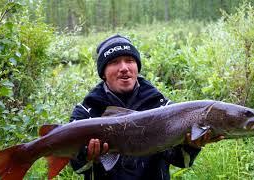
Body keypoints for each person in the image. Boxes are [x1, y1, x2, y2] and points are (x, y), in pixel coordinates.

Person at [69, 34, 224, 180]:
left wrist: (192, 146)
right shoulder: (86, 112)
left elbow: (179, 161)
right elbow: (77, 168)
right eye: (114, 62)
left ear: (137, 67)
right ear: (103, 73)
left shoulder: (161, 106)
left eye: (129, 60)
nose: (124, 67)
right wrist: (87, 156)